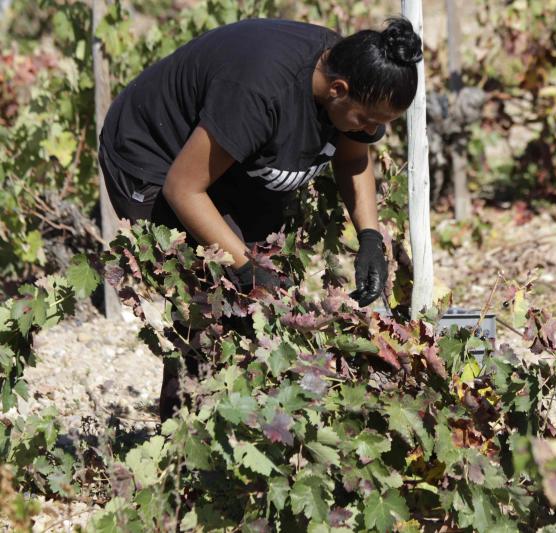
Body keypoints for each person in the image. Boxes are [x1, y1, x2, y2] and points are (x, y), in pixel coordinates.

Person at [98, 16, 423, 420]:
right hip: (154, 158)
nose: (372, 131)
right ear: (338, 90)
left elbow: (354, 157)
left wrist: (371, 238)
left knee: (260, 297)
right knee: (214, 302)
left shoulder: (352, 78)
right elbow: (183, 189)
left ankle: (244, 434)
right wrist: (247, 270)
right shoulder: (260, 93)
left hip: (227, 160)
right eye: (368, 120)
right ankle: (183, 447)